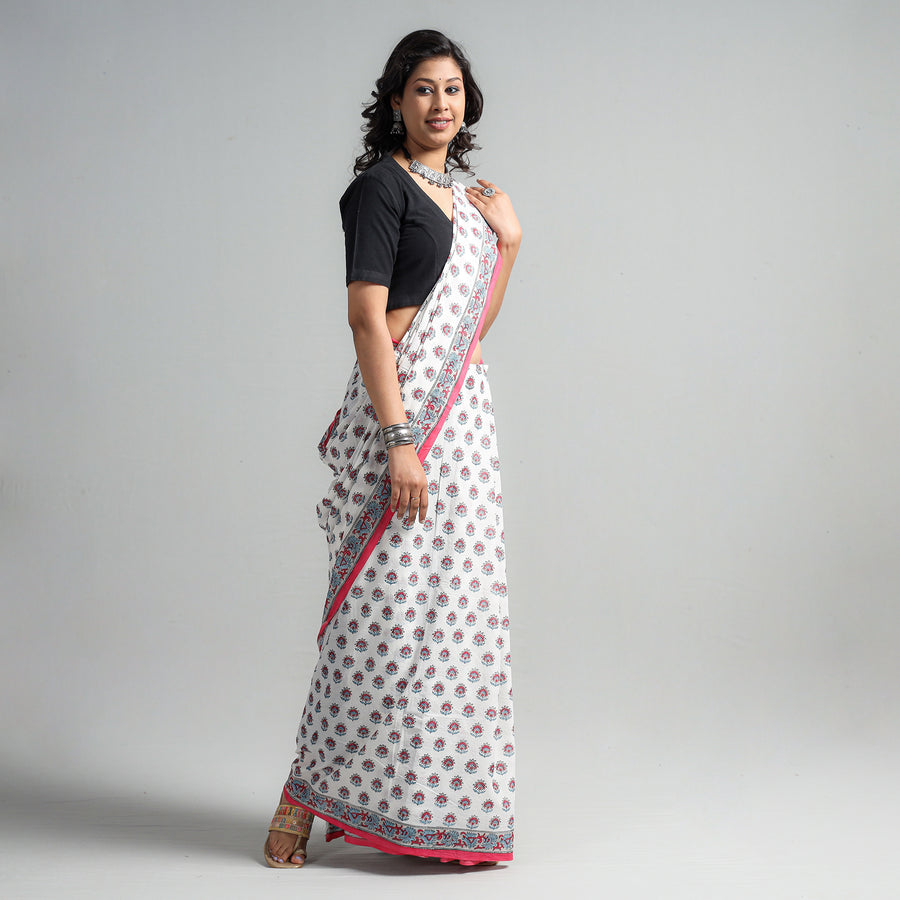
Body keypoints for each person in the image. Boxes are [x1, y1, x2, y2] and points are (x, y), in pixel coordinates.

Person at [265, 29, 521, 868]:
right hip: (402, 421)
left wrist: (510, 246)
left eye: (452, 89)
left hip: (464, 430)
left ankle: (427, 811)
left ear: (467, 102)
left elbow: (470, 333)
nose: (440, 104)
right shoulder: (380, 189)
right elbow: (366, 319)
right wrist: (399, 440)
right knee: (375, 618)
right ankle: (302, 796)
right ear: (396, 102)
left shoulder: (472, 201)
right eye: (423, 89)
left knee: (451, 621)